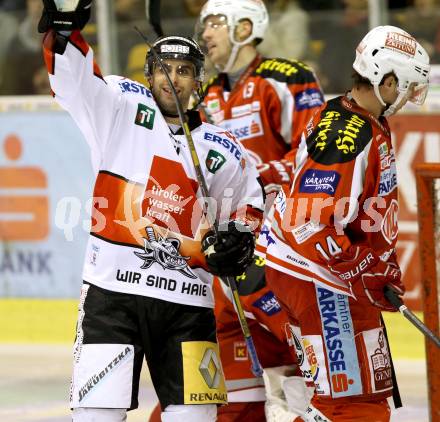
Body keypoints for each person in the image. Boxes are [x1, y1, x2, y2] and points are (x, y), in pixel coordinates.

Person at [38, 1, 265, 421]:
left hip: (188, 308)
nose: (172, 78)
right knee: (95, 416)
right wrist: (65, 30)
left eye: (184, 71)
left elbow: (248, 211)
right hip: (111, 297)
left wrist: (237, 241)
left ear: (199, 80)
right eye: (164, 68)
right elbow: (74, 85)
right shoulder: (120, 105)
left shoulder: (226, 150)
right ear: (149, 74)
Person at [259, 25, 430, 421]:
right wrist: (364, 269)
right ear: (386, 80)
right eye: (406, 86)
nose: (408, 98)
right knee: (352, 406)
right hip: (320, 278)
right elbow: (310, 223)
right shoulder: (345, 134)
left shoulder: (358, 116)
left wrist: (372, 266)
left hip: (326, 275)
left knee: (358, 397)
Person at [195, 0, 325, 420]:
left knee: (303, 367)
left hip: (280, 253)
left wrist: (255, 177)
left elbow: (318, 157)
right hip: (227, 256)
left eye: (215, 23)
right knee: (230, 388)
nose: (206, 33)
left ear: (245, 26)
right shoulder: (208, 93)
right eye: (205, 25)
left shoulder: (288, 78)